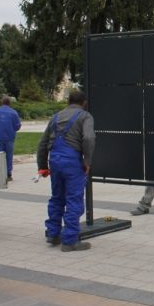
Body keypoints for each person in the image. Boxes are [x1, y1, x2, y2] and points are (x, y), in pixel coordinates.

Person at [37, 90, 95, 252]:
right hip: (72, 162)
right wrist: (87, 161)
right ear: (84, 102)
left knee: (57, 197)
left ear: (68, 101)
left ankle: (53, 234)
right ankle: (70, 241)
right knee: (74, 199)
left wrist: (42, 166)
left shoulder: (55, 117)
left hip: (55, 161)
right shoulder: (85, 116)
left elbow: (42, 143)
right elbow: (89, 138)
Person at [0, 96, 21, 181]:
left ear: (1, 102)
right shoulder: (14, 113)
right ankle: (8, 174)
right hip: (9, 137)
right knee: (9, 156)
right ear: (10, 103)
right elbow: (17, 126)